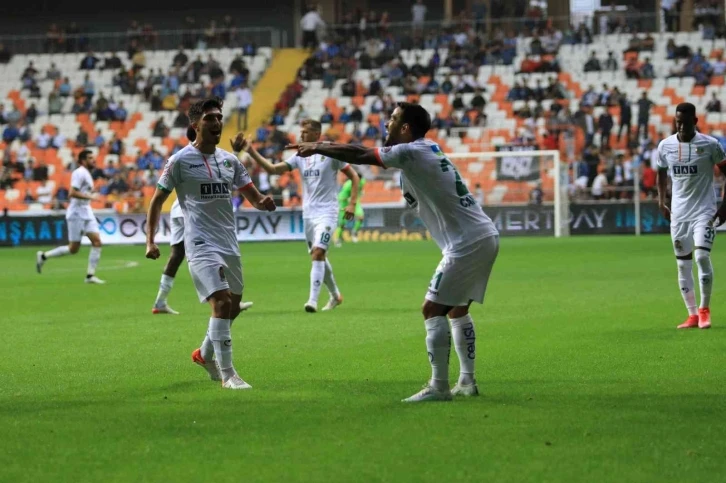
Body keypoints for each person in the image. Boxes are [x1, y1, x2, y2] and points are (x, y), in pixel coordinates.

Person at [287, 102, 499, 403]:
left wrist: (319, 147)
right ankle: (466, 381)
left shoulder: (410, 151)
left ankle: (439, 387)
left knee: (431, 309)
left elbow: (361, 154)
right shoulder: (427, 149)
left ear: (405, 128)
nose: (387, 123)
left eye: (393, 119)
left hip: (468, 242)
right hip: (481, 236)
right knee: (457, 308)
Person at [145, 98, 276, 390]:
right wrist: (150, 240)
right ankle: (228, 375)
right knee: (222, 302)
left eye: (219, 117)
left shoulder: (230, 161)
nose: (217, 122)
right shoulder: (179, 161)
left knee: (233, 307)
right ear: (195, 125)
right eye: (210, 118)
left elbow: (253, 197)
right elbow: (156, 201)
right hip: (200, 243)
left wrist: (263, 202)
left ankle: (203, 355)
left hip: (228, 241)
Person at [245, 119, 360, 312]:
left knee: (318, 253)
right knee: (318, 255)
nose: (301, 135)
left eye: (305, 132)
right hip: (308, 215)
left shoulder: (330, 154)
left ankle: (312, 301)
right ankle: (335, 295)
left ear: (316, 134)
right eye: (301, 132)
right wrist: (251, 151)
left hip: (328, 212)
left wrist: (352, 203)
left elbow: (354, 176)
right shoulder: (300, 156)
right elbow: (272, 169)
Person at [152, 127, 254, 315]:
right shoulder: (191, 157)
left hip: (178, 210)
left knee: (177, 255)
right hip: (192, 213)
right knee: (212, 250)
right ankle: (225, 299)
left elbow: (219, 173)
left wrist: (234, 152)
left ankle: (160, 301)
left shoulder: (187, 156)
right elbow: (219, 175)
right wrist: (235, 152)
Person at [656, 103, 726, 330]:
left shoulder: (710, 145)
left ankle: (705, 310)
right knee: (682, 265)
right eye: (678, 122)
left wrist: (724, 206)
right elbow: (661, 174)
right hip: (679, 215)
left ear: (695, 122)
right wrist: (661, 201)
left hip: (704, 212)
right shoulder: (665, 146)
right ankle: (692, 314)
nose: (681, 127)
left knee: (702, 257)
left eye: (685, 123)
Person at [36, 149, 105, 284]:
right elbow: (72, 193)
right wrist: (91, 196)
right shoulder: (79, 173)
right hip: (76, 213)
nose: (93, 160)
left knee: (97, 242)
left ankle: (90, 276)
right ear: (83, 160)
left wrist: (90, 195)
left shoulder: (87, 174)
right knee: (73, 248)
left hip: (86, 211)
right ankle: (43, 256)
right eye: (90, 158)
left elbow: (83, 192)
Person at [334, 171, 366, 246]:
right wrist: (348, 202)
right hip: (344, 202)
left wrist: (361, 192)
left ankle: (354, 232)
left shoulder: (362, 181)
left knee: (361, 217)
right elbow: (342, 197)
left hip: (354, 201)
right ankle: (337, 238)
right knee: (342, 224)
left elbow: (361, 187)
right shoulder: (347, 185)